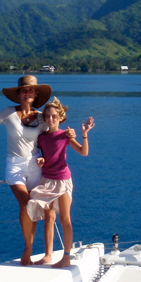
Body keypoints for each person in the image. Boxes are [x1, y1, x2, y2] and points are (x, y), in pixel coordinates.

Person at [0, 75, 51, 266]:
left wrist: (71, 137)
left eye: (31, 89)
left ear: (36, 93)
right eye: (24, 90)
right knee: (26, 204)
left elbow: (50, 140)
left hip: (35, 167)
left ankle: (34, 249)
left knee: (34, 207)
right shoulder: (8, 113)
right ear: (19, 94)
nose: (27, 92)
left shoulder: (41, 118)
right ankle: (27, 249)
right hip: (15, 167)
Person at [27, 96, 94, 268]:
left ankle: (66, 257)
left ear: (61, 118)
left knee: (65, 219)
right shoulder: (41, 138)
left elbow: (83, 152)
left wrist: (84, 135)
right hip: (47, 180)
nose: (50, 119)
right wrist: (41, 159)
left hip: (62, 181)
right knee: (49, 217)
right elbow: (43, 155)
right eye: (48, 116)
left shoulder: (65, 135)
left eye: (54, 117)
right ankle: (48, 255)